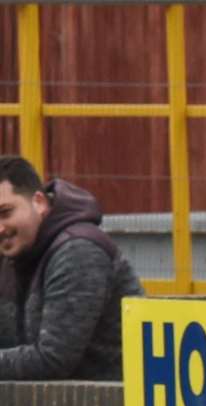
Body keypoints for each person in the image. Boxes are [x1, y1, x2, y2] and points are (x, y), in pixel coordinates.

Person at [0, 156, 143, 380]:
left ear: (38, 202)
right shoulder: (13, 252)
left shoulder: (79, 252)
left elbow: (53, 360)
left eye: (5, 213)